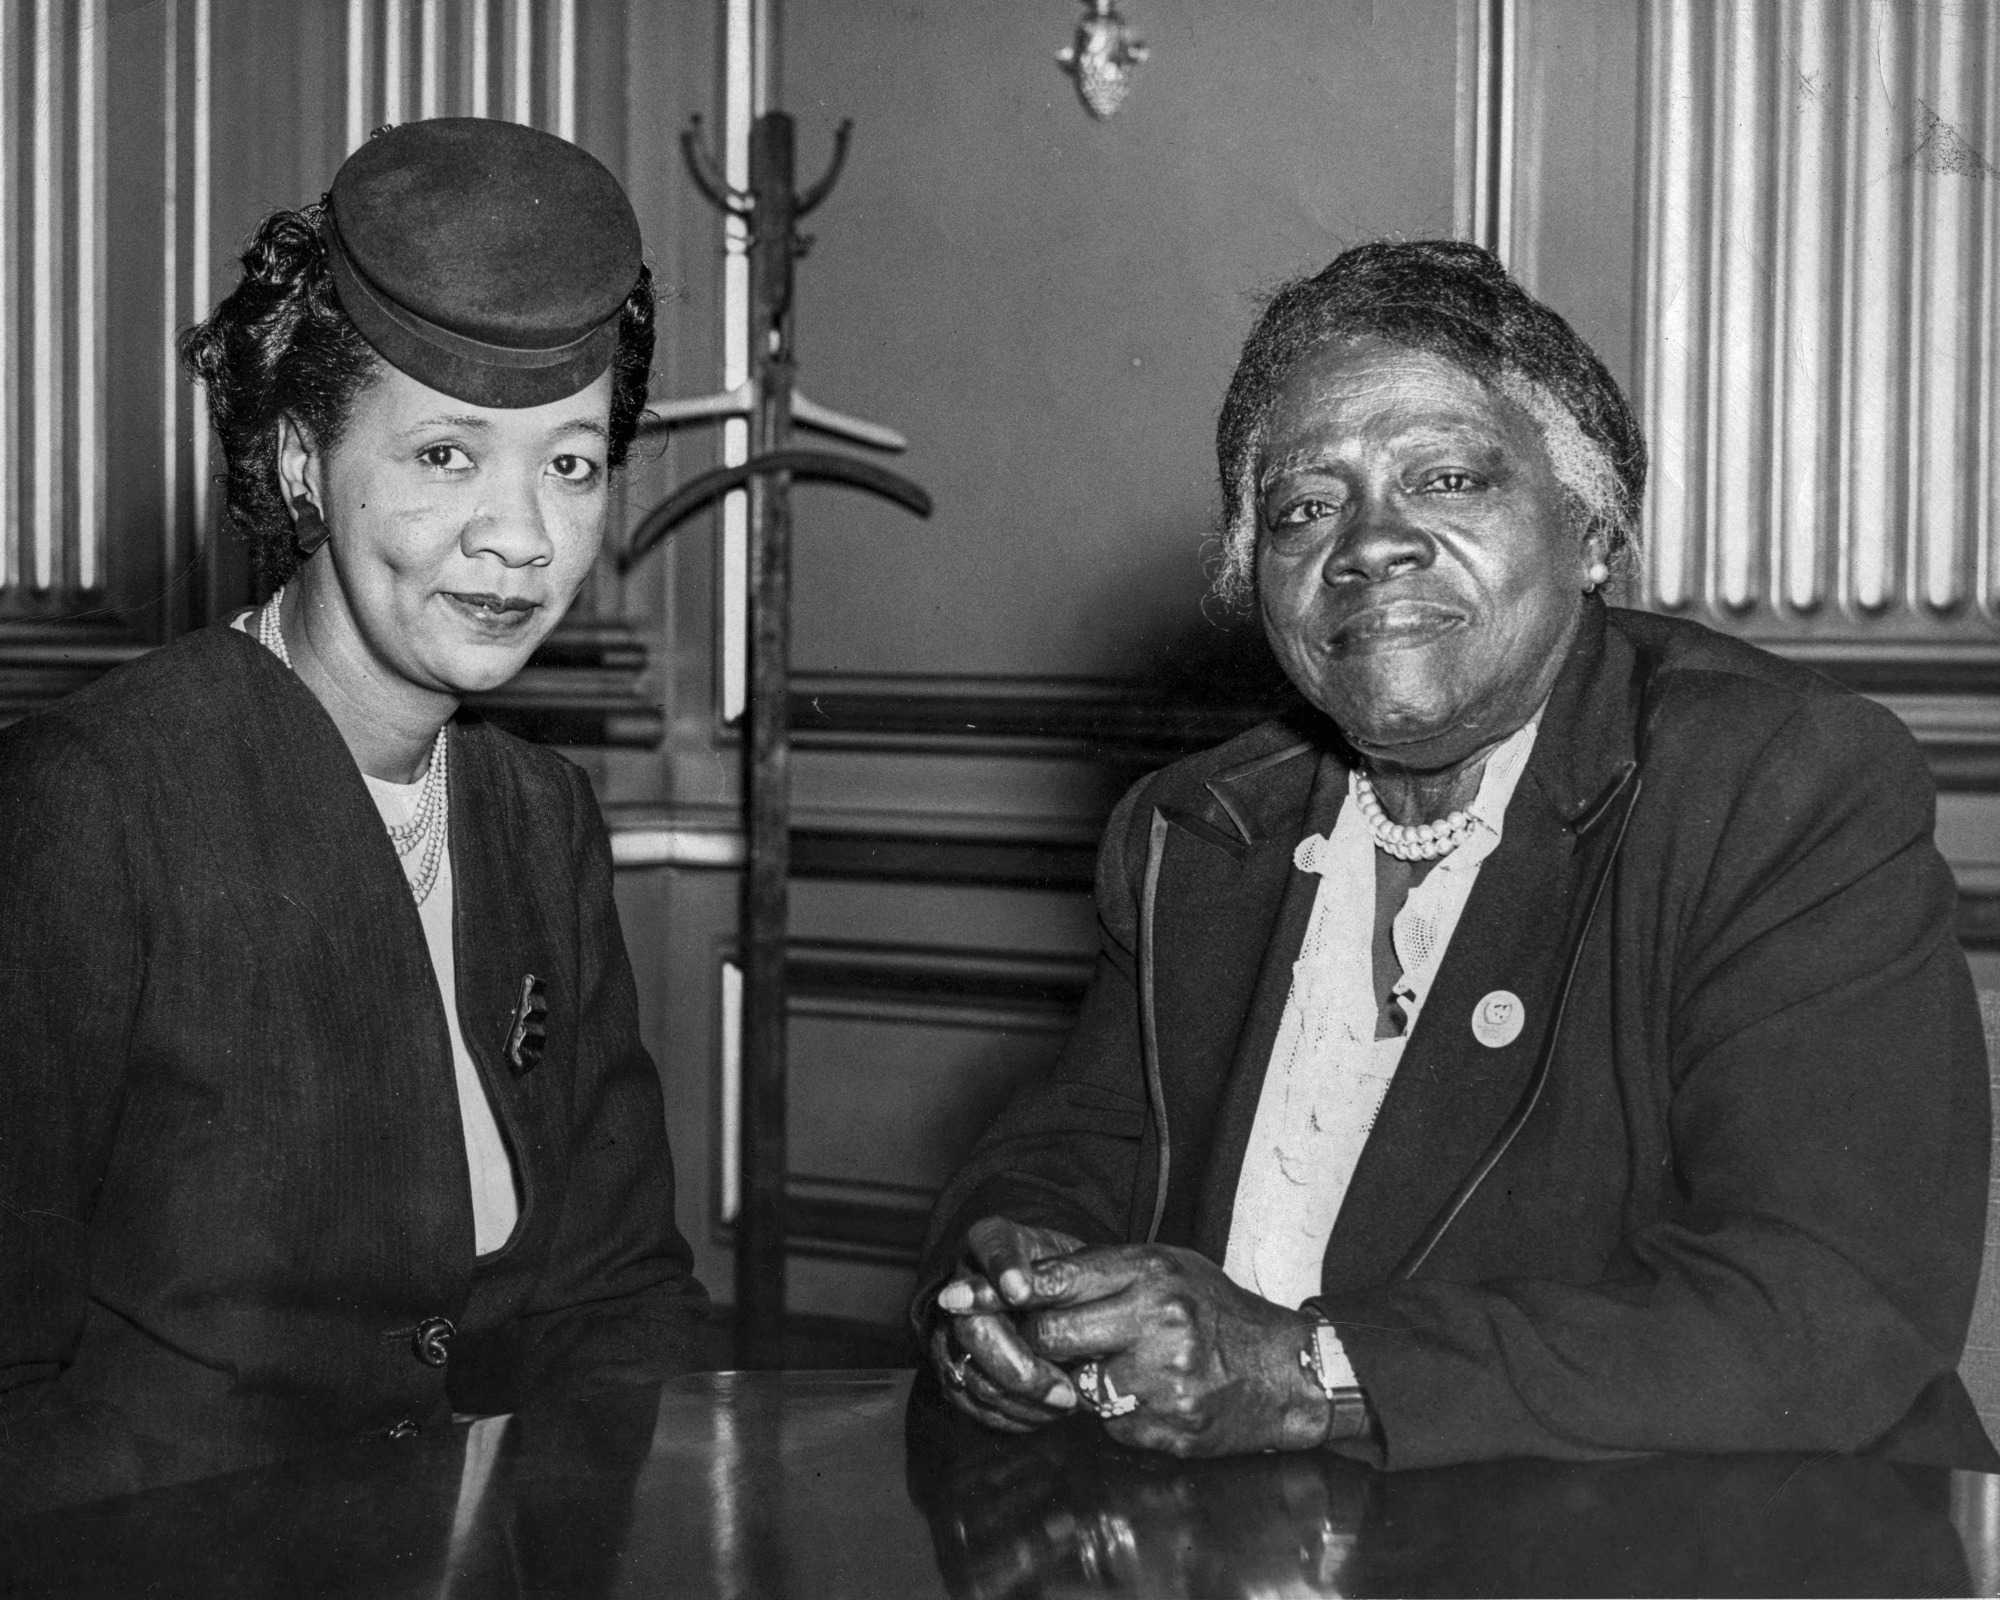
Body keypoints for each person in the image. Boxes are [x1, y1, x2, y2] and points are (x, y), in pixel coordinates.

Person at [914, 239, 1993, 1469]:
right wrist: (1016, 1284)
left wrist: (1306, 1372)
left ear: (1590, 531)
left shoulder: (1776, 781)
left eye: (1445, 479)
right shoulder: (1196, 828)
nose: (1370, 543)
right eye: (1304, 507)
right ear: (1254, 579)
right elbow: (1071, 1151)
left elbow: (1824, 1306)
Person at [0, 117, 709, 1514]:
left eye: (569, 463)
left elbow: (620, 1301)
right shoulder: (90, 805)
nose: (523, 534)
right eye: (448, 455)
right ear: (301, 461)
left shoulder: (538, 816)